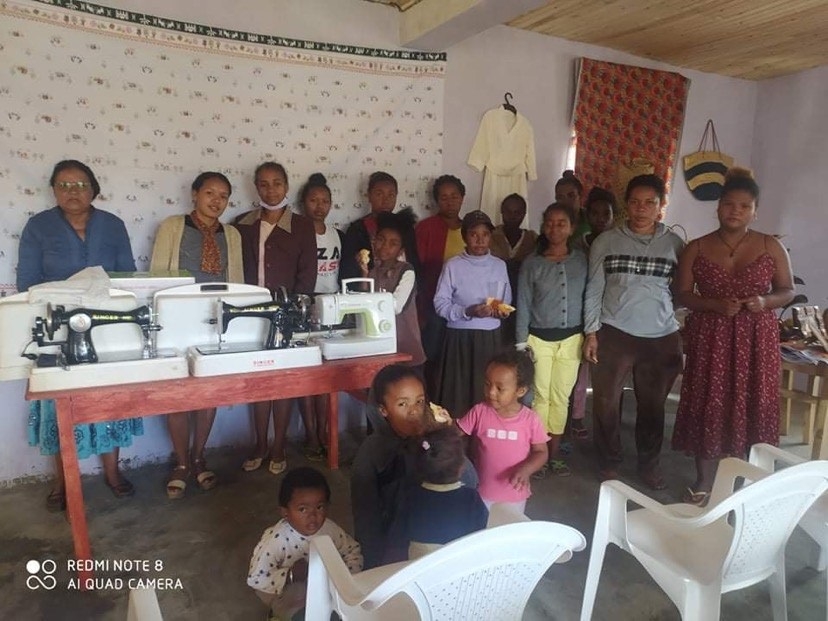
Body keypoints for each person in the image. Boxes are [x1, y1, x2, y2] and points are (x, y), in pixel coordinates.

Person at [17, 159, 140, 511]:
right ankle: (64, 481)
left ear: (94, 189)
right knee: (59, 405)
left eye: (80, 184)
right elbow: (28, 282)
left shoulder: (113, 225)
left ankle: (113, 473)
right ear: (54, 189)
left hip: (105, 325)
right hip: (55, 327)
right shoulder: (38, 227)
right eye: (65, 185)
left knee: (110, 400)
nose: (73, 191)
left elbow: (126, 277)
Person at [671, 168, 794, 505]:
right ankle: (704, 483)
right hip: (712, 335)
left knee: (753, 403)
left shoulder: (770, 245)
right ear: (718, 207)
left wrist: (765, 301)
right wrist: (712, 304)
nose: (735, 211)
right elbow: (682, 294)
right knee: (709, 403)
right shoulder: (697, 248)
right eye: (729, 204)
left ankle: (747, 484)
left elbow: (787, 290)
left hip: (757, 339)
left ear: (754, 210)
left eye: (744, 206)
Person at [583, 174, 685, 489]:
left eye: (650, 203)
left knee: (653, 405)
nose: (641, 209)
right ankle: (609, 460)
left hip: (660, 337)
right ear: (627, 204)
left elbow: (682, 291)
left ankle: (648, 464)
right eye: (635, 202)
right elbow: (594, 288)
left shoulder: (675, 244)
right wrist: (591, 332)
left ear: (660, 207)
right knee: (605, 400)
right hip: (614, 331)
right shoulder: (606, 241)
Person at [150, 171, 243, 499]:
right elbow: (157, 279)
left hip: (216, 322)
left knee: (208, 393)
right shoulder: (173, 227)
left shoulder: (231, 234)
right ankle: (181, 462)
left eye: (223, 196)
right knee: (178, 394)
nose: (216, 201)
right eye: (210, 193)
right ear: (194, 194)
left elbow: (238, 285)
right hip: (176, 321)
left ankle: (200, 454)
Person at [351, 364, 477, 569]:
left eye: (419, 402)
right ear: (383, 410)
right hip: (395, 548)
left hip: (441, 544)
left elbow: (470, 480)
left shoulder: (433, 443)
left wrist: (447, 439)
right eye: (402, 404)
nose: (414, 412)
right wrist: (372, 567)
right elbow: (366, 518)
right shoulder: (372, 452)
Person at [234, 162, 317, 475]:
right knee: (258, 383)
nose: (271, 190)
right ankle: (260, 443)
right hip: (250, 314)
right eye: (264, 184)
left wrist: (293, 311)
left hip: (286, 313)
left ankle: (279, 444)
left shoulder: (302, 226)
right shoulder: (241, 224)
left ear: (287, 186)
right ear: (256, 188)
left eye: (277, 183)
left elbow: (307, 275)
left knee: (281, 382)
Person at [515, 203, 588, 477]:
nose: (555, 228)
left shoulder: (581, 260)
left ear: (571, 227)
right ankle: (538, 456)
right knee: (539, 397)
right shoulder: (532, 263)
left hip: (572, 340)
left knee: (561, 397)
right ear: (543, 226)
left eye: (562, 223)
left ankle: (554, 455)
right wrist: (522, 344)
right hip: (538, 340)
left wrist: (591, 333)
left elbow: (590, 297)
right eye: (550, 223)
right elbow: (522, 303)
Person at [248, 467, 362, 621]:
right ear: (285, 512)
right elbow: (256, 579)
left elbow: (352, 550)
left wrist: (345, 581)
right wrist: (290, 575)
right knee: (304, 615)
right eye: (302, 509)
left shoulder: (329, 529)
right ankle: (278, 615)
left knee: (344, 612)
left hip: (325, 586)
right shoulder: (276, 539)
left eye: (319, 507)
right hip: (291, 591)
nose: (313, 516)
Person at [433, 210, 511, 419]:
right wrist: (467, 311)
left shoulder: (499, 265)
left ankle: (483, 440)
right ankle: (458, 442)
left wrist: (501, 311)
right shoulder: (453, 265)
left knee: (485, 391)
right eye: (473, 234)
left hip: (489, 339)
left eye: (485, 234)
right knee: (457, 394)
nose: (479, 240)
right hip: (459, 339)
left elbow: (506, 300)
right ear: (465, 236)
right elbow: (440, 304)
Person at [457, 351, 548, 513]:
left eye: (500, 388)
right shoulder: (479, 411)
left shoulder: (530, 419)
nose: (491, 392)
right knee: (482, 533)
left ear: (520, 391)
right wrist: (441, 423)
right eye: (487, 384)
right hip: (481, 492)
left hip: (514, 494)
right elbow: (455, 433)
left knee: (509, 534)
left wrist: (527, 469)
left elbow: (541, 452)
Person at [387, 425, 488, 560]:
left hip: (418, 568)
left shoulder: (409, 496)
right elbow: (481, 538)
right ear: (462, 467)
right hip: (457, 567)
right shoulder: (471, 498)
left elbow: (397, 538)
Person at [297, 172, 342, 461]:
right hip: (305, 303)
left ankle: (326, 431)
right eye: (313, 200)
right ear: (304, 203)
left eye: (324, 200)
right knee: (307, 374)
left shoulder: (337, 233)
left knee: (329, 375)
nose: (319, 206)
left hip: (331, 305)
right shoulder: (299, 232)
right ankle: (311, 434)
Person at [569, 187, 617, 441]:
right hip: (580, 314)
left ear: (613, 216)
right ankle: (576, 415)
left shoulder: (617, 246)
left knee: (606, 373)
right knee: (579, 369)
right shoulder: (578, 245)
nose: (600, 218)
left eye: (605, 214)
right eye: (595, 213)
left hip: (608, 314)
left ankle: (605, 420)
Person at [359, 208, 426, 370]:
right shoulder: (373, 271)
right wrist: (364, 274)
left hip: (405, 344)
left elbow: (395, 306)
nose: (384, 246)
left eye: (393, 243)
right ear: (374, 241)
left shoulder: (407, 271)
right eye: (381, 240)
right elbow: (361, 302)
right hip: (381, 347)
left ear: (401, 250)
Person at [415, 175, 466, 377]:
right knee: (433, 356)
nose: (450, 201)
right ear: (436, 200)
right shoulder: (426, 228)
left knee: (457, 359)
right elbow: (417, 269)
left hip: (464, 305)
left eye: (454, 196)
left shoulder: (472, 228)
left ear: (462, 197)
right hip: (433, 304)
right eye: (444, 197)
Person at [340, 171, 419, 282]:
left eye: (391, 195)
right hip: (368, 291)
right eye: (379, 194)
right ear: (369, 196)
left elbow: (413, 262)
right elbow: (348, 271)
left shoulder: (404, 227)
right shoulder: (357, 230)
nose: (385, 200)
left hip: (401, 288)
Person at [490, 193, 538, 345]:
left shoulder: (533, 239)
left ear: (524, 214)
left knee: (519, 339)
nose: (512, 216)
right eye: (508, 212)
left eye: (517, 212)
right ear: (502, 213)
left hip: (524, 298)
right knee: (498, 336)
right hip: (496, 297)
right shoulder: (491, 236)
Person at [555, 170, 587, 239]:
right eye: (560, 197)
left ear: (581, 196)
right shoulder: (551, 225)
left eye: (571, 196)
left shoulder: (591, 220)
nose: (566, 201)